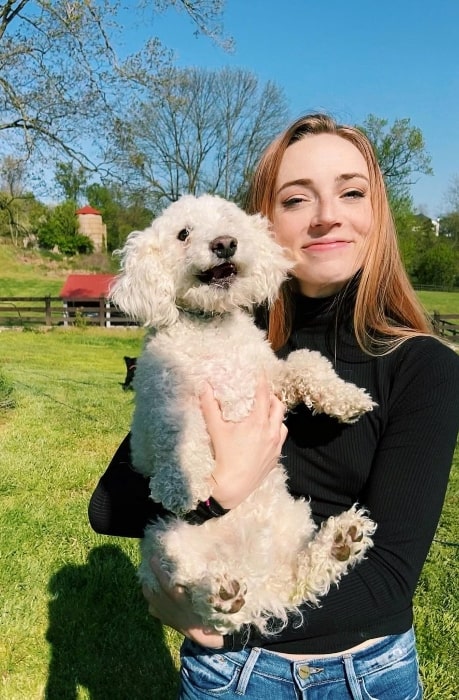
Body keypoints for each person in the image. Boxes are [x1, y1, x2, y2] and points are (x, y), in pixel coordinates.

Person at [89, 113, 459, 699]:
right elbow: (109, 510)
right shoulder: (220, 328)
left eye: (351, 191)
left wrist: (222, 630)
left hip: (364, 674)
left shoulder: (426, 366)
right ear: (266, 223)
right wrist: (220, 492)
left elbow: (390, 577)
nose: (327, 215)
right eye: (296, 199)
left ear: (376, 213)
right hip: (228, 678)